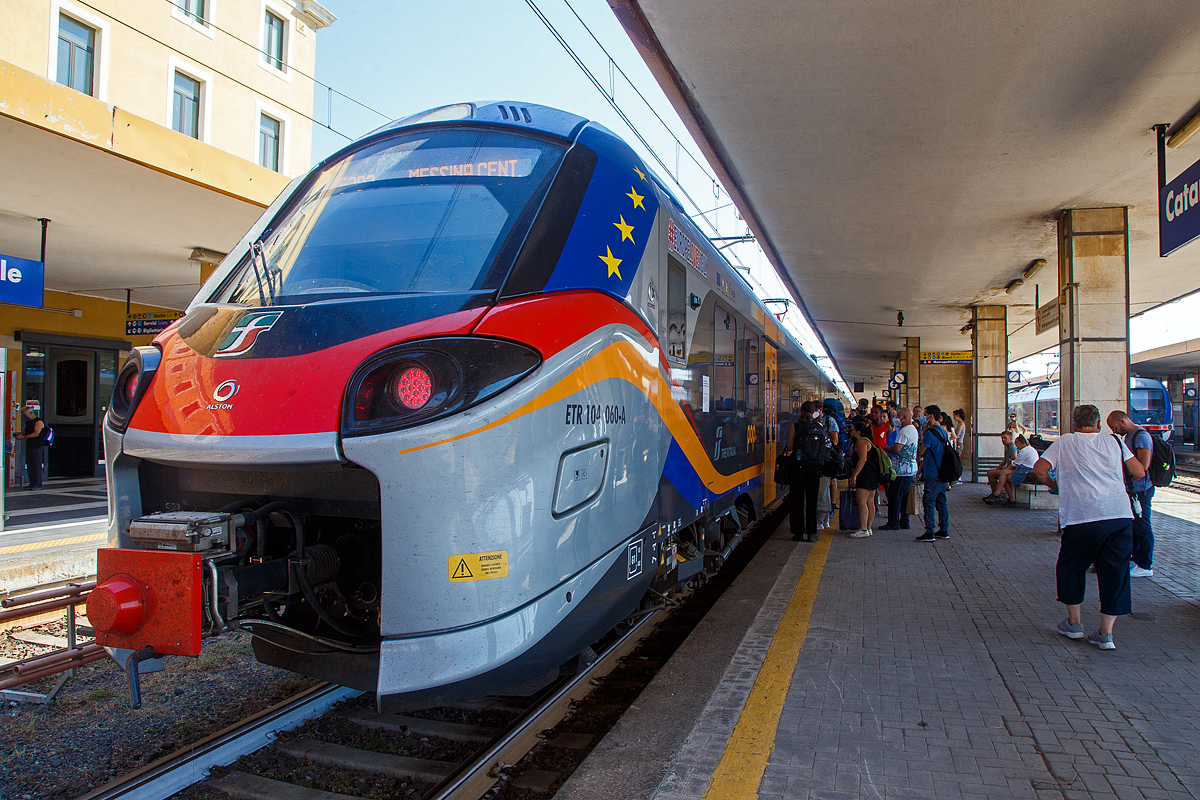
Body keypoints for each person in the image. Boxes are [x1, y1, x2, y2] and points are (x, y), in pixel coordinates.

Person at [1033, 404, 1147, 650]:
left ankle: (1074, 624)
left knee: (1072, 567)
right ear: (1098, 424)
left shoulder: (1065, 441)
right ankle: (1106, 633)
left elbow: (1039, 469)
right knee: (1115, 572)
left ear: (1074, 424)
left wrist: (1054, 485)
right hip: (1118, 516)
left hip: (1081, 517)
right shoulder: (1115, 441)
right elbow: (1139, 471)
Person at [1107, 410, 1155, 578]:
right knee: (1135, 526)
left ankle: (1146, 564)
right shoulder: (1130, 437)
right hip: (1133, 489)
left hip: (1141, 489)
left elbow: (1143, 466)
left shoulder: (1141, 437)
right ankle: (1136, 559)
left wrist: (1126, 478)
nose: (1114, 431)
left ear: (1122, 422)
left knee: (1143, 525)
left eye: (1114, 427)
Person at [785, 401, 829, 543]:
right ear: (814, 412)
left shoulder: (795, 426)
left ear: (800, 411)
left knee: (797, 501)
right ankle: (811, 533)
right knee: (812, 501)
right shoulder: (819, 426)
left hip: (798, 468)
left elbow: (790, 446)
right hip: (814, 468)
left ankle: (798, 533)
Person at [916, 404, 950, 541]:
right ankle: (944, 529)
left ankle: (929, 530)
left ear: (931, 416)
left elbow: (922, 452)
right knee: (941, 501)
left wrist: (924, 432)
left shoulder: (929, 433)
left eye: (925, 415)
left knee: (928, 501)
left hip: (932, 472)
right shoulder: (943, 431)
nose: (924, 418)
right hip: (942, 471)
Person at [881, 407, 918, 530]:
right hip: (909, 469)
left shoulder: (904, 431)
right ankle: (904, 521)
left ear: (904, 418)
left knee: (895, 496)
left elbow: (896, 448)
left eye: (898, 416)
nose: (896, 419)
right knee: (904, 497)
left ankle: (893, 522)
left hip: (901, 470)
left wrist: (887, 448)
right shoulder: (913, 429)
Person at [847, 420, 881, 538]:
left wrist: (854, 475)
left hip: (865, 475)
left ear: (858, 432)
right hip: (872, 474)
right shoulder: (867, 441)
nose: (850, 431)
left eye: (852, 429)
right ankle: (868, 528)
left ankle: (863, 528)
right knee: (869, 502)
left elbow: (862, 460)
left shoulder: (862, 442)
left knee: (861, 502)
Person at [990, 434, 1039, 506]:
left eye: (1017, 445)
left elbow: (1014, 464)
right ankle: (1006, 498)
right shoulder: (1030, 449)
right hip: (1026, 470)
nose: (1017, 448)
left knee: (1004, 476)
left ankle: (999, 494)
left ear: (1020, 443)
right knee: (1004, 475)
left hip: (1025, 474)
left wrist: (1006, 469)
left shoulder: (1024, 451)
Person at [14, 401, 46, 490]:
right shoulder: (28, 423)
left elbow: (36, 433)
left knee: (36, 465)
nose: (25, 417)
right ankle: (32, 483)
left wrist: (24, 437)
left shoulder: (38, 422)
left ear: (30, 413)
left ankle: (38, 483)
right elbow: (25, 432)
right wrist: (18, 434)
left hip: (37, 446)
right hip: (30, 446)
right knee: (30, 465)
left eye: (25, 415)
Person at [983, 431, 1017, 501]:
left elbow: (1014, 457)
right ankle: (994, 493)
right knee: (990, 472)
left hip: (1012, 470)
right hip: (1008, 469)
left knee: (991, 474)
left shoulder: (1012, 447)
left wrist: (1007, 467)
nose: (1003, 440)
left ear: (1010, 439)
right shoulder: (1007, 448)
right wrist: (997, 469)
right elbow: (1004, 462)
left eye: (1005, 438)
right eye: (1002, 438)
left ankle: (996, 495)